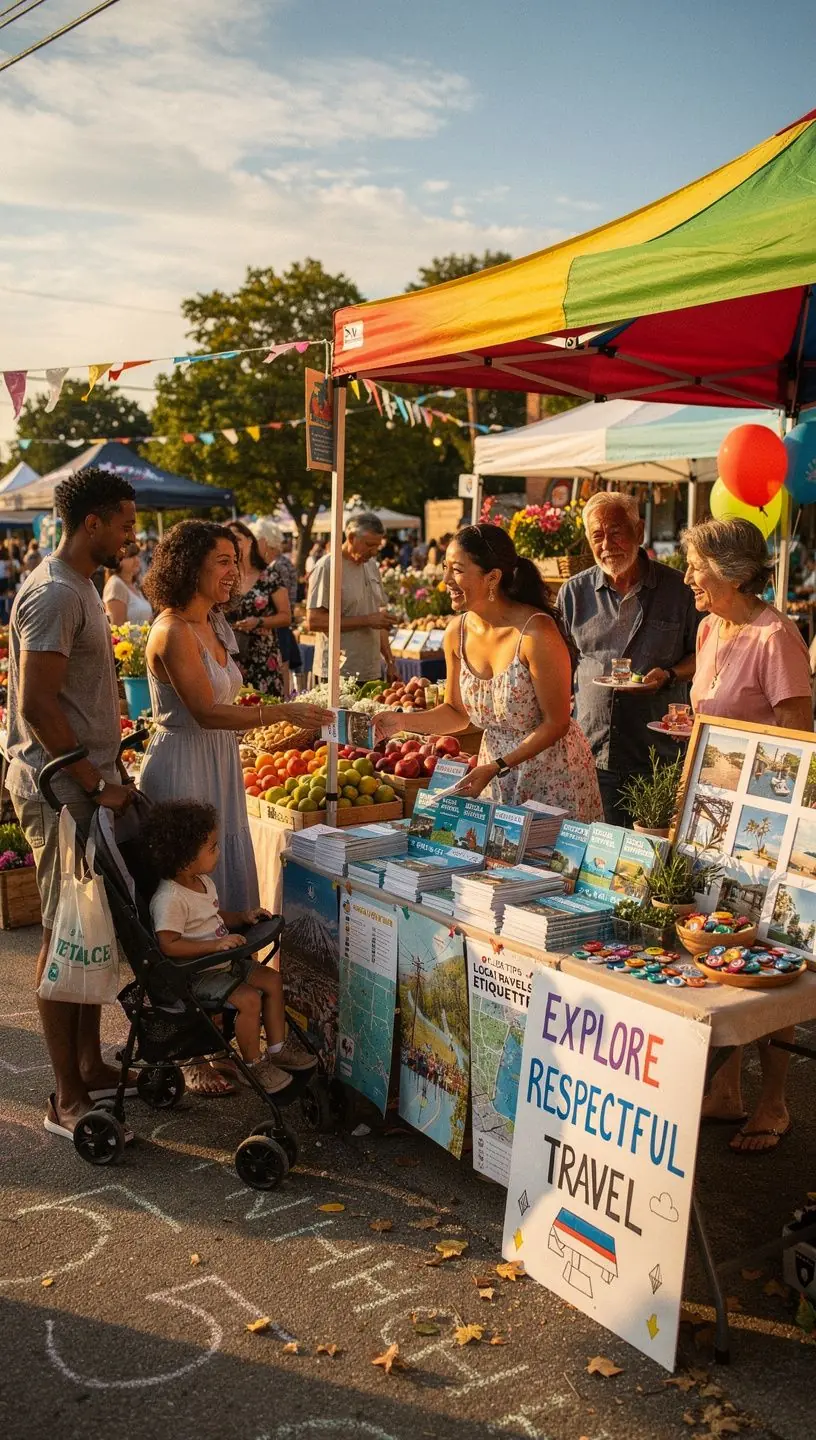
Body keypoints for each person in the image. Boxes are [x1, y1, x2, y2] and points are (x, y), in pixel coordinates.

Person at [139, 521, 331, 1094]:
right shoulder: (173, 630)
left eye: (236, 560)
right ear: (189, 565)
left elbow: (228, 701)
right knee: (185, 888)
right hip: (184, 764)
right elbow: (205, 712)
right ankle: (190, 1049)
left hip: (219, 761)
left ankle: (227, 1026)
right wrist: (281, 713)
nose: (234, 572)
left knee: (215, 886)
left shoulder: (213, 622)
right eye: (222, 561)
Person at [6, 467, 138, 1139]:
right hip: (58, 788)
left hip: (80, 783)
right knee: (64, 932)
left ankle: (88, 1063)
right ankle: (65, 1097)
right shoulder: (56, 592)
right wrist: (92, 779)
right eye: (125, 524)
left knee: (89, 928)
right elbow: (37, 704)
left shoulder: (80, 584)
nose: (130, 536)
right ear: (92, 523)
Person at [683, 517, 813, 1155]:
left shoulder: (776, 636)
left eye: (696, 568)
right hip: (710, 816)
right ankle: (727, 1089)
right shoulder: (711, 627)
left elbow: (798, 739)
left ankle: (774, 1100)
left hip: (765, 826)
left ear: (731, 574)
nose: (688, 578)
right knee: (719, 946)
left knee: (771, 958)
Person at [374, 524, 603, 818]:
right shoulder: (456, 633)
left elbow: (556, 723)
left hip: (551, 777)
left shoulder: (536, 633)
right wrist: (400, 721)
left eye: (457, 570)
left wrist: (499, 765)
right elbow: (456, 713)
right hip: (492, 772)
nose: (445, 581)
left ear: (492, 577)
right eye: (445, 568)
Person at [143, 800, 317, 1095]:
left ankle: (278, 1049)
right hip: (197, 974)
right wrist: (214, 945)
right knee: (249, 1000)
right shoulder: (170, 899)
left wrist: (242, 917)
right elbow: (168, 945)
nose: (218, 852)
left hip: (223, 962)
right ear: (185, 860)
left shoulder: (202, 882)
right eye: (212, 847)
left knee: (272, 980)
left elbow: (213, 915)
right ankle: (254, 1064)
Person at [558, 491, 700, 823]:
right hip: (592, 753)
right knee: (595, 849)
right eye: (597, 535)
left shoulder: (679, 591)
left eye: (616, 531)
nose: (607, 544)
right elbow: (561, 661)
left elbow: (704, 654)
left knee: (652, 847)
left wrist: (670, 675)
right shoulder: (573, 594)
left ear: (639, 531)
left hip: (658, 755)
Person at [307, 511, 397, 684]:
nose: (374, 552)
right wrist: (367, 620)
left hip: (371, 671)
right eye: (369, 545)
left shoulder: (371, 565)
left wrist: (390, 660)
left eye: (377, 546)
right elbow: (314, 621)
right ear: (351, 537)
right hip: (338, 674)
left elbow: (378, 620)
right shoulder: (328, 566)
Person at [225, 520, 289, 698]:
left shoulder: (269, 576)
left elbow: (286, 617)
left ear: (250, 541)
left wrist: (259, 621)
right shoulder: (225, 577)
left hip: (263, 657)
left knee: (266, 707)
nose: (234, 544)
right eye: (229, 540)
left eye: (237, 539)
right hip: (231, 656)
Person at [250, 517, 301, 692]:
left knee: (281, 678)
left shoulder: (276, 567)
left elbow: (283, 604)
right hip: (277, 628)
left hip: (277, 628)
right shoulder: (281, 564)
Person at [102, 541, 153, 626]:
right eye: (131, 556)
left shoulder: (135, 585)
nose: (137, 560)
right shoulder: (116, 584)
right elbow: (118, 627)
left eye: (137, 556)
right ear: (119, 559)